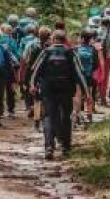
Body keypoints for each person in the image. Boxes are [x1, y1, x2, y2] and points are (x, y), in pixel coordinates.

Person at [30, 32, 92, 161]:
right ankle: (66, 146)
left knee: (48, 116)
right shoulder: (71, 53)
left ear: (53, 39)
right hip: (66, 90)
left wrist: (32, 85)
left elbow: (35, 70)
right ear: (65, 40)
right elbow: (80, 73)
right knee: (66, 117)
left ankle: (49, 147)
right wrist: (87, 93)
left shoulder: (46, 52)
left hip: (48, 90)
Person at [17, 25, 49, 130]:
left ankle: (36, 122)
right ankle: (45, 120)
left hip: (33, 73)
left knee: (36, 99)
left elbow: (24, 60)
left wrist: (22, 75)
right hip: (46, 75)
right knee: (46, 98)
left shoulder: (31, 45)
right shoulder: (50, 46)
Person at [74, 32, 100, 126]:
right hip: (89, 76)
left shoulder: (76, 49)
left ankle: (76, 116)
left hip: (78, 76)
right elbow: (96, 64)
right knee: (89, 94)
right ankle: (89, 116)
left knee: (78, 95)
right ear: (90, 39)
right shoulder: (93, 50)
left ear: (82, 39)